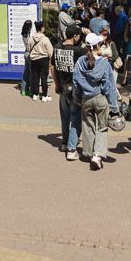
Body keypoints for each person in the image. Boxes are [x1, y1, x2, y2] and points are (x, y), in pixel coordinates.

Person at [73, 33, 121, 170]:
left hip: (85, 98)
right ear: (97, 45)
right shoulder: (104, 63)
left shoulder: (80, 61)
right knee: (102, 126)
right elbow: (109, 86)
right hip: (100, 98)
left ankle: (88, 152)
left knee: (88, 125)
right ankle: (97, 155)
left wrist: (77, 98)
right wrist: (114, 107)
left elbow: (75, 82)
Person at [53, 25, 83, 160]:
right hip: (75, 89)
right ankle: (71, 148)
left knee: (64, 118)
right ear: (75, 36)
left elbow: (52, 68)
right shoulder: (78, 51)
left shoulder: (57, 49)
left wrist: (57, 84)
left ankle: (64, 143)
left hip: (62, 88)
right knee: (76, 119)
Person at [27, 21, 55, 101]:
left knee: (35, 77)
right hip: (43, 59)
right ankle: (44, 95)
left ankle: (35, 94)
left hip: (34, 59)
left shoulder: (31, 38)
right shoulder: (45, 39)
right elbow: (50, 51)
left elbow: (29, 49)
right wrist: (51, 60)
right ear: (42, 28)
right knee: (44, 77)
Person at [18, 18, 34, 95]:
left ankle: (24, 90)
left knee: (26, 72)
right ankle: (31, 90)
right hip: (31, 53)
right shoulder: (30, 35)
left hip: (26, 52)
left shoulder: (23, 34)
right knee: (31, 73)